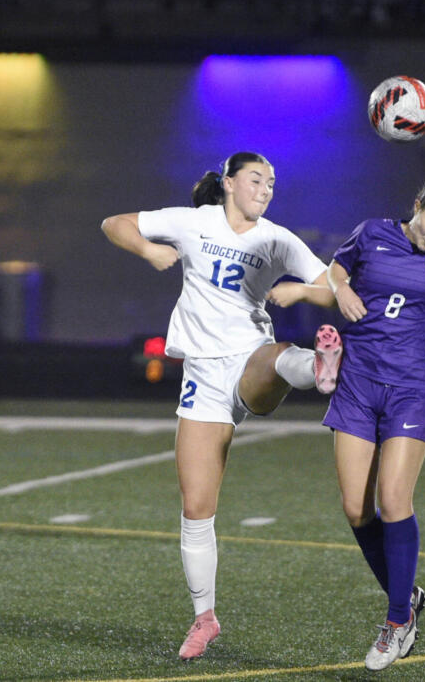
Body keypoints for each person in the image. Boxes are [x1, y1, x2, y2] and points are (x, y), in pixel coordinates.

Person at [101, 152, 340, 661]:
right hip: (202, 381)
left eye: (272, 182)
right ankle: (204, 617)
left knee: (275, 359)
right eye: (256, 179)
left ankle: (318, 366)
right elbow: (113, 223)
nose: (266, 189)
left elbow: (332, 286)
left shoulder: (275, 237)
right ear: (229, 184)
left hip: (248, 361)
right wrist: (147, 249)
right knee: (195, 507)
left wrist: (299, 289)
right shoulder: (194, 223)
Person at [324, 174, 425, 671]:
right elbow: (335, 267)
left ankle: (398, 621)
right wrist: (341, 289)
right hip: (357, 383)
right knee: (357, 510)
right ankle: (409, 594)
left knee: (393, 501)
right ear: (416, 205)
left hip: (411, 388)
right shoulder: (371, 232)